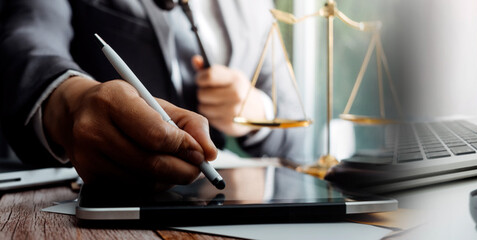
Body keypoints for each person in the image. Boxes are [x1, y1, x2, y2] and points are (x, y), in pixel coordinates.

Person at [0, 0, 303, 190]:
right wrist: (73, 100)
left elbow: (294, 124)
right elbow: (28, 39)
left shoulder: (256, 8)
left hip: (211, 194)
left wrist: (254, 112)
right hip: (90, 190)